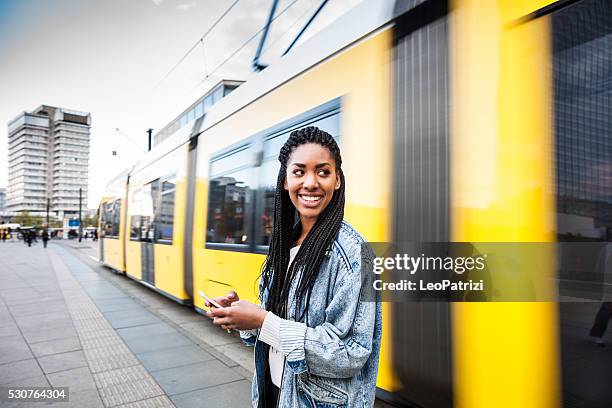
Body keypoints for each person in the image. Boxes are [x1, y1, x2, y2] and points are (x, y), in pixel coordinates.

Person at [206, 126, 382, 407]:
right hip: (276, 391)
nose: (310, 183)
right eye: (299, 172)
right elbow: (278, 328)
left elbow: (351, 353)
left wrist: (263, 321)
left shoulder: (354, 254)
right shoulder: (284, 243)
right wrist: (244, 317)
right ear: (285, 181)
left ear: (337, 180)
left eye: (323, 172)